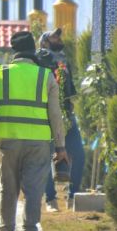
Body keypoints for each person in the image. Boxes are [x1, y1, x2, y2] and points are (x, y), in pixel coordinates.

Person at [0, 31, 68, 231]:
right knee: (34, 189)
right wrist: (60, 146)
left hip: (9, 141)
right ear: (33, 50)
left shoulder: (1, 74)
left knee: (9, 187)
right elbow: (56, 114)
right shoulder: (46, 76)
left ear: (14, 51)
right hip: (38, 143)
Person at [37, 28, 85, 212]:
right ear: (44, 42)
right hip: (46, 115)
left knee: (78, 154)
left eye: (59, 36)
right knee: (46, 157)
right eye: (54, 37)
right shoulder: (39, 59)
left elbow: (70, 89)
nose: (58, 39)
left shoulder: (64, 61)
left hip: (66, 115)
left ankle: (73, 196)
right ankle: (50, 199)